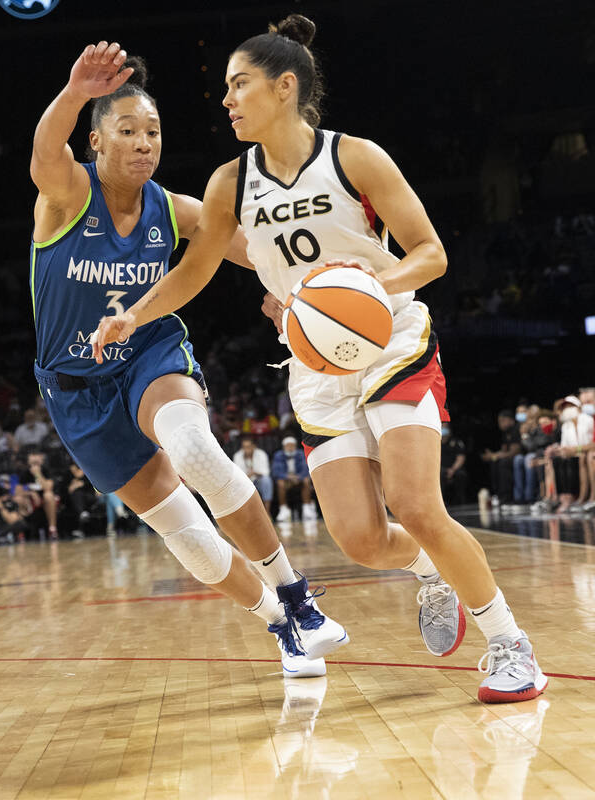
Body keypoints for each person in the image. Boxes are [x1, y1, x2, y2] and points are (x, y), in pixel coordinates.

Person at [93, 15, 545, 703]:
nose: (227, 99)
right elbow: (196, 270)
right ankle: (430, 571)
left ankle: (511, 645)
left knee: (417, 503)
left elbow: (431, 253)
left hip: (391, 339)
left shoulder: (355, 157)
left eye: (239, 84)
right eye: (225, 87)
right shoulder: (227, 184)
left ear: (285, 87)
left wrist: (366, 286)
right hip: (314, 366)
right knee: (362, 540)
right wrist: (133, 314)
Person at [30, 41, 347, 678]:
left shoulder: (172, 208)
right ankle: (279, 624)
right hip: (75, 391)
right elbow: (44, 149)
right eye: (127, 131)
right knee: (185, 534)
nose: (145, 142)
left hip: (145, 351)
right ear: (97, 142)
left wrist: (297, 297)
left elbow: (260, 252)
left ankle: (295, 593)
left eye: (153, 131)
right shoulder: (66, 195)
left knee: (196, 448)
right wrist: (74, 92)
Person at [271, 436, 315, 522]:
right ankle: (283, 509)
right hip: (286, 480)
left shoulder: (301, 454)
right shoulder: (278, 455)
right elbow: (276, 472)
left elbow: (306, 469)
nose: (290, 448)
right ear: (284, 447)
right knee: (280, 483)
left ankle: (307, 508)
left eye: (292, 446)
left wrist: (299, 477)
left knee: (306, 480)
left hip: (299, 479)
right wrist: (288, 477)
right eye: (288, 446)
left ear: (295, 446)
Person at [233, 437, 273, 510]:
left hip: (258, 480)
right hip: (244, 481)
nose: (246, 449)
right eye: (244, 447)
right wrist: (248, 475)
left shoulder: (261, 454)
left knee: (267, 480)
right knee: (236, 484)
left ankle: (267, 511)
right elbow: (237, 475)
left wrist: (254, 473)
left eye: (248, 447)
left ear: (253, 446)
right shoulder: (237, 456)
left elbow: (266, 472)